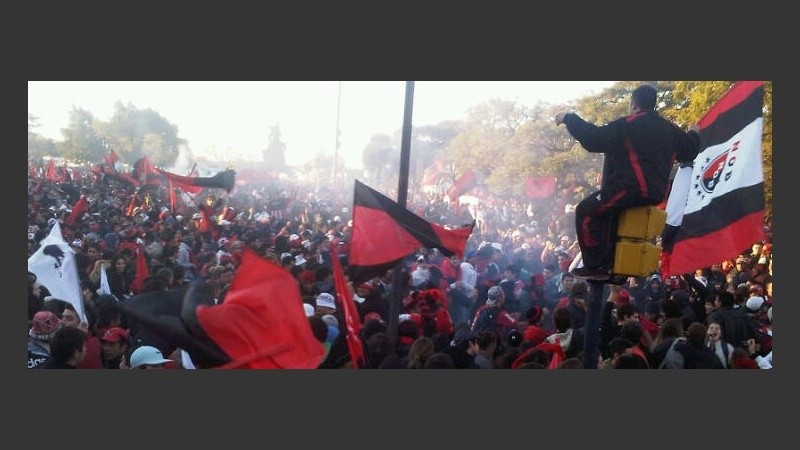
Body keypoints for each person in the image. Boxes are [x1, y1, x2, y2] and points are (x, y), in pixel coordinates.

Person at [555, 84, 700, 280]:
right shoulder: (671, 129)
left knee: (585, 211)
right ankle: (612, 263)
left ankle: (595, 265)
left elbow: (594, 139)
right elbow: (689, 151)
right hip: (656, 191)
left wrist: (569, 118)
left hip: (631, 188)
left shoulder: (628, 124)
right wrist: (693, 134)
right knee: (609, 214)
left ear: (633, 103)